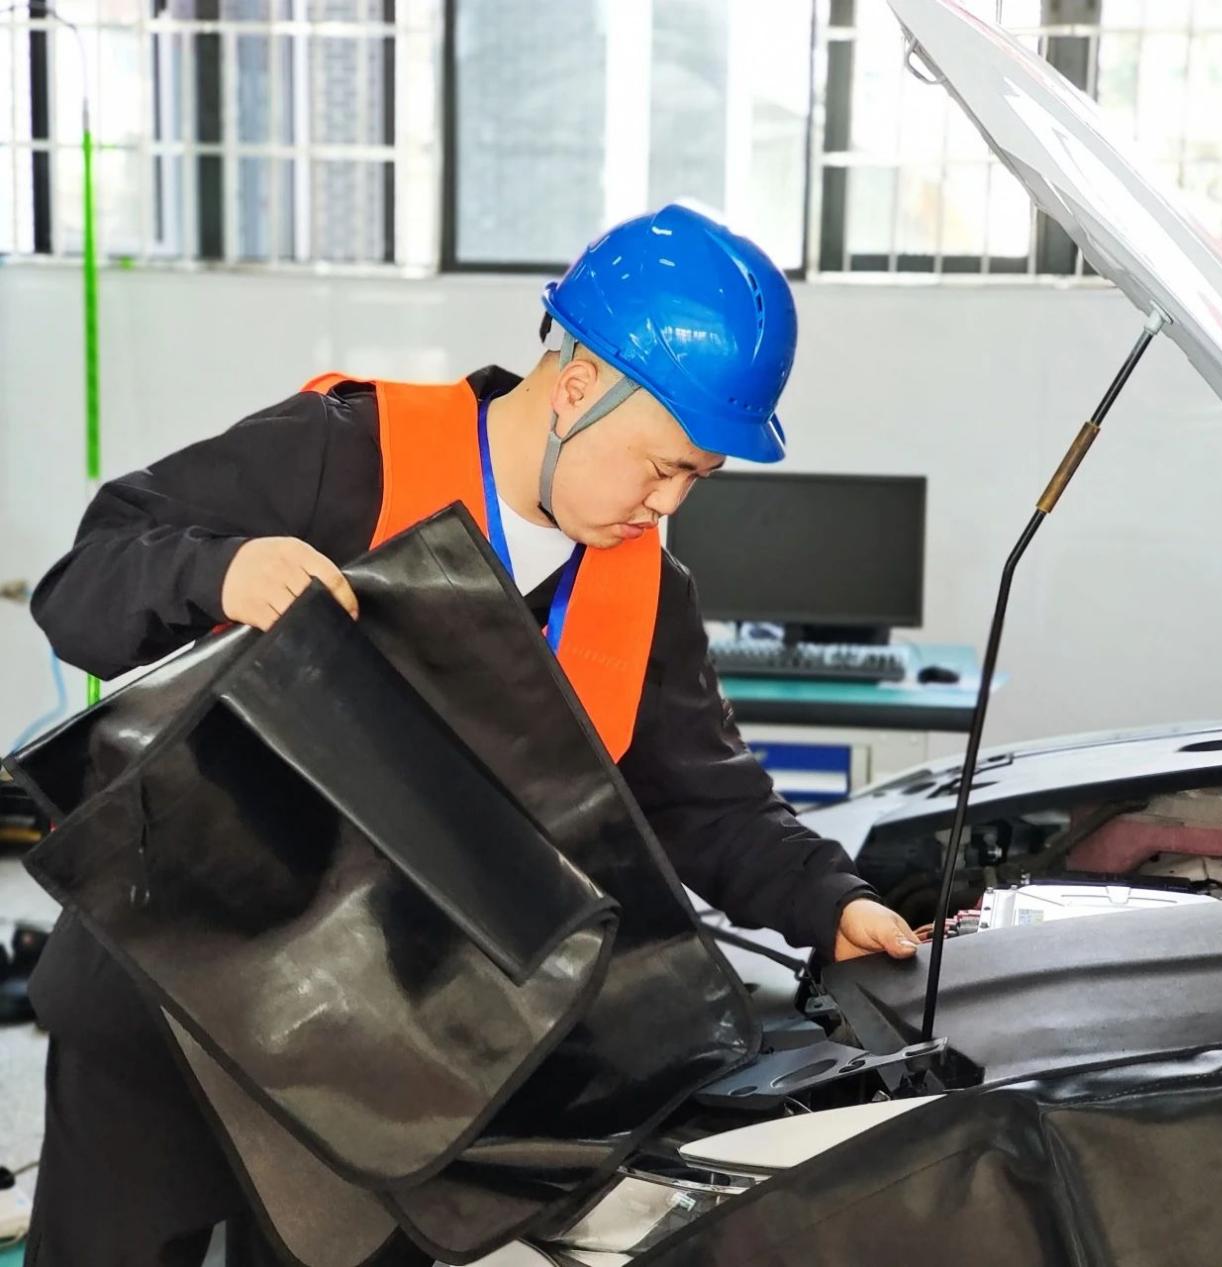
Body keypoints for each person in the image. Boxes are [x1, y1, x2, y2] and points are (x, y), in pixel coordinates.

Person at [22, 203, 919, 1265]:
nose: (665, 502)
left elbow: (708, 805)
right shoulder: (345, 456)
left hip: (371, 1066)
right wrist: (220, 570)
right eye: (661, 463)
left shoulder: (647, 595)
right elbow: (84, 582)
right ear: (579, 383)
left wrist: (831, 901)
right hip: (169, 997)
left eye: (695, 478)